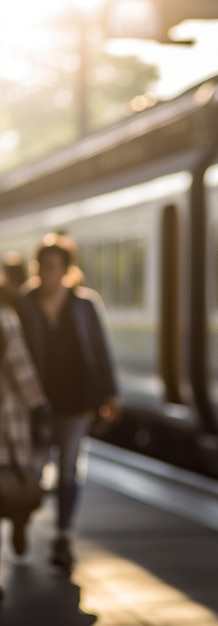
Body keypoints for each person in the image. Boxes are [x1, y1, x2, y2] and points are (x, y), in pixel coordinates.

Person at [16, 233, 120, 573]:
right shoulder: (24, 303)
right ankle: (20, 521)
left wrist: (110, 393)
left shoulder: (84, 304)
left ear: (66, 269)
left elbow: (100, 351)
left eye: (53, 267)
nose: (47, 274)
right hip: (34, 405)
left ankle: (63, 537)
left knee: (68, 472)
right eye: (42, 267)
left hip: (76, 402)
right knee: (30, 473)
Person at [0, 274, 49, 560]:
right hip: (10, 421)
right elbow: (23, 368)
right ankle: (19, 521)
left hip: (6, 420)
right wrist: (38, 407)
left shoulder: (5, 319)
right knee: (16, 479)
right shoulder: (6, 317)